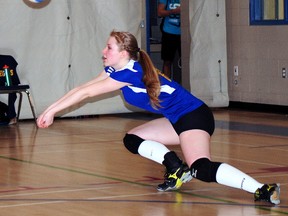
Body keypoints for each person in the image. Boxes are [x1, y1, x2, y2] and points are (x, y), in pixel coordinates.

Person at [37, 30, 280, 205]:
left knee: (201, 168)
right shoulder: (116, 69)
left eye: (109, 47)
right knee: (132, 139)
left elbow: (87, 93)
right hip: (176, 119)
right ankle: (176, 169)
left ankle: (262, 189)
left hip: (194, 117)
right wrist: (51, 108)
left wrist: (52, 112)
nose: (104, 50)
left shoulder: (131, 73)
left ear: (124, 53)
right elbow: (82, 88)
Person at [158, 0, 181, 81]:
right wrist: (173, 11)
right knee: (167, 61)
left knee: (186, 61)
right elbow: (159, 12)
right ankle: (166, 85)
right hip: (169, 32)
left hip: (185, 33)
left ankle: (186, 86)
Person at [0, 55, 20, 125]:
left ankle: (11, 115)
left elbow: (14, 80)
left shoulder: (9, 59)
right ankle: (7, 110)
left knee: (12, 87)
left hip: (10, 83)